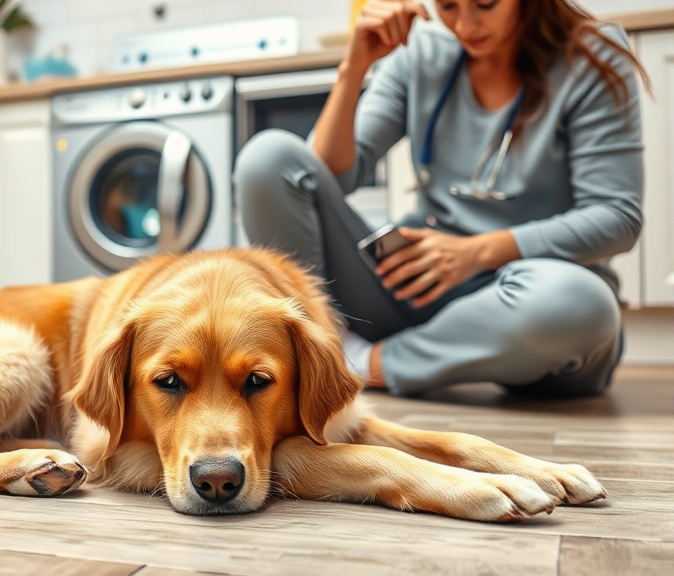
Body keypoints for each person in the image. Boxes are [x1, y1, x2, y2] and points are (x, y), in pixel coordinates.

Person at [234, 0, 648, 397]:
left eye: (485, 4)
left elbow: (616, 217)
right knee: (266, 158)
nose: (465, 26)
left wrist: (474, 252)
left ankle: (361, 364)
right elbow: (328, 176)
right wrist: (354, 66)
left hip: (531, 309)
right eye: (448, 6)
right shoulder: (420, 57)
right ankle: (330, 349)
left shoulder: (592, 58)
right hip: (420, 285)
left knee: (581, 303)